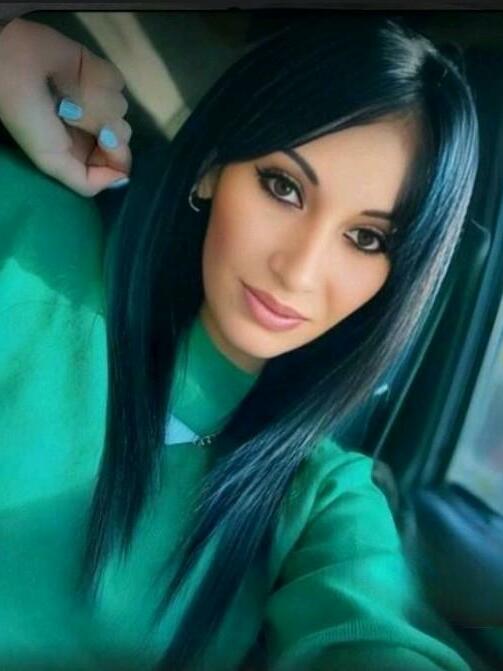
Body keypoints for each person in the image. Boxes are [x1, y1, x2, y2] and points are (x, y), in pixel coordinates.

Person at [0, 12, 483, 671]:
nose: (299, 270)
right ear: (211, 168)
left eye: (366, 238)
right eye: (282, 187)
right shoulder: (31, 239)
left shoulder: (319, 499)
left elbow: (371, 638)